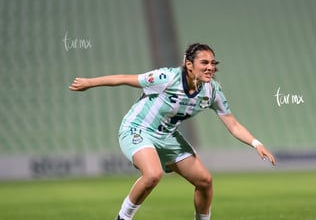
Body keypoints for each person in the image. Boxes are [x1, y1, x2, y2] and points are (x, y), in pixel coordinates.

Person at [69, 42, 276, 220]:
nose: (210, 67)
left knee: (205, 181)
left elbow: (233, 124)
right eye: (204, 62)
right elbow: (125, 78)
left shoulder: (212, 90)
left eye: (213, 63)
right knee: (152, 175)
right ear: (189, 64)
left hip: (167, 137)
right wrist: (89, 83)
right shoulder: (166, 77)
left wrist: (256, 143)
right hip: (137, 129)